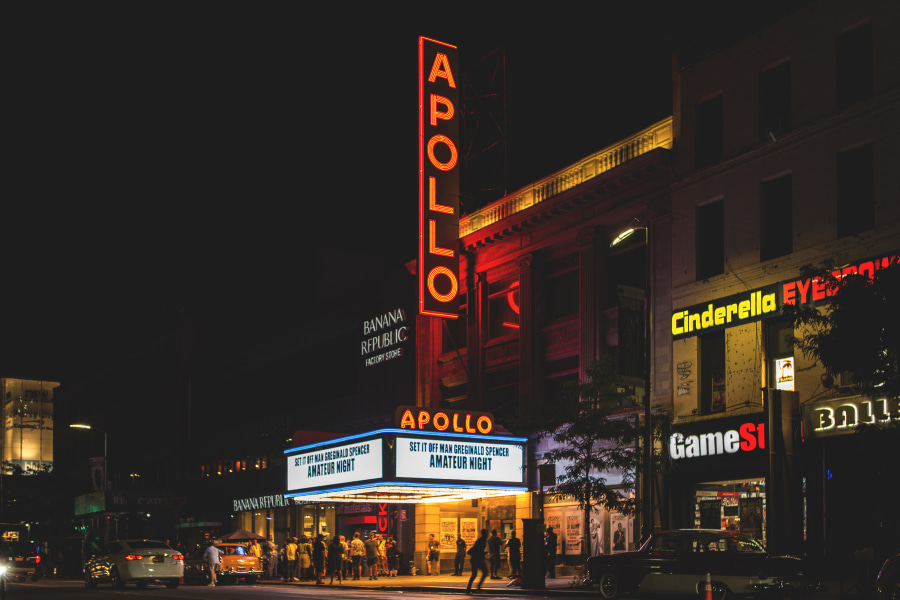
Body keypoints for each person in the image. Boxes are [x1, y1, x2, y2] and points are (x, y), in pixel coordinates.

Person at [465, 529, 489, 594]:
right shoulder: (482, 541)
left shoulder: (481, 540)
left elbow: (478, 550)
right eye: (487, 533)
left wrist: (484, 553)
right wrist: (484, 553)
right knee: (482, 573)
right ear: (485, 534)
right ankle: (475, 588)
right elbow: (478, 551)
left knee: (475, 574)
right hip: (477, 559)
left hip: (476, 559)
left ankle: (470, 589)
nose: (487, 535)